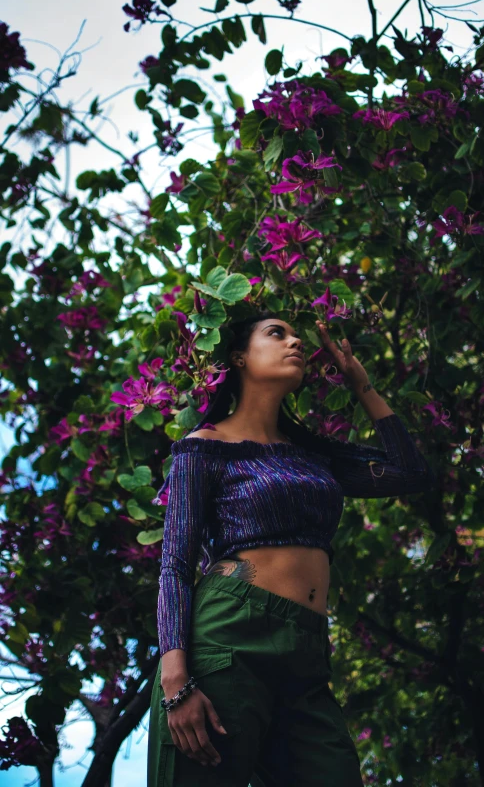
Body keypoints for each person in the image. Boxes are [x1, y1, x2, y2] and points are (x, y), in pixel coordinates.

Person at [147, 310, 436, 786]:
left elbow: (411, 472)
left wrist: (359, 382)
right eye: (276, 333)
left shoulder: (313, 457)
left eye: (297, 335)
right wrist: (175, 679)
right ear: (239, 356)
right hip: (228, 638)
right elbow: (175, 565)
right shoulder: (203, 448)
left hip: (306, 651)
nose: (295, 342)